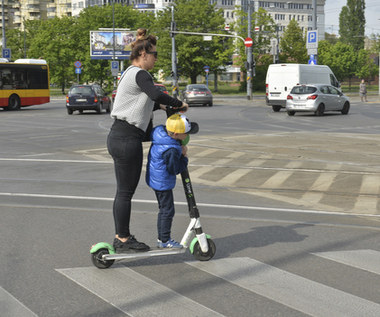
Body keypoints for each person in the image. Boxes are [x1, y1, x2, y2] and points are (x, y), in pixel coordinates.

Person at [107, 29, 189, 253]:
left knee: (124, 191)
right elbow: (155, 95)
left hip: (120, 136)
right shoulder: (141, 74)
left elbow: (146, 103)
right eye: (154, 54)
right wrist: (178, 103)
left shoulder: (129, 73)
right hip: (125, 139)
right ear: (143, 53)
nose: (155, 58)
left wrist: (165, 106)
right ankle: (122, 239)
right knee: (125, 192)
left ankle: (122, 236)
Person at [146, 114, 199, 248]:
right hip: (162, 182)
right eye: (185, 133)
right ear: (175, 134)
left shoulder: (162, 136)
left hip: (156, 178)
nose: (187, 136)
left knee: (164, 209)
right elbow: (174, 169)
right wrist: (184, 157)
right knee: (167, 210)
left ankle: (162, 239)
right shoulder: (171, 150)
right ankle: (164, 240)